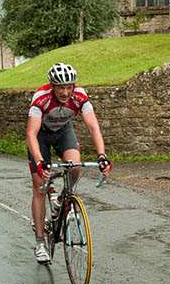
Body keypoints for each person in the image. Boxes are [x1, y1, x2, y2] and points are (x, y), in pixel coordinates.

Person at [26, 62, 112, 264]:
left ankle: (63, 199)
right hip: (41, 137)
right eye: (60, 87)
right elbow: (31, 133)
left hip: (63, 132)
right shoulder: (41, 98)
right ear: (52, 86)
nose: (65, 92)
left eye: (69, 87)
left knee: (75, 165)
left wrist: (102, 155)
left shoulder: (80, 96)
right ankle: (40, 243)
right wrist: (39, 161)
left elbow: (93, 127)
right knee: (39, 187)